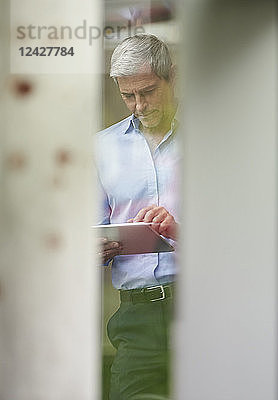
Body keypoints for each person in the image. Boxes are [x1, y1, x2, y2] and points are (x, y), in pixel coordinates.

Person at [95, 33, 180, 400]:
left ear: (171, 77)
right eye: (128, 96)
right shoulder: (101, 147)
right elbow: (91, 226)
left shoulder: (213, 141)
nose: (139, 106)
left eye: (148, 92)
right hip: (136, 317)